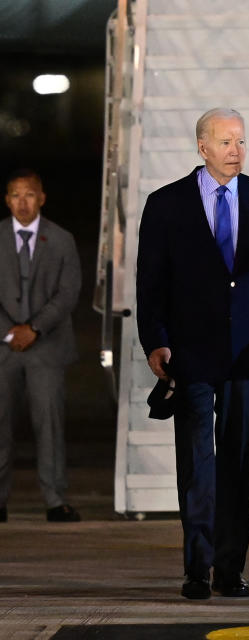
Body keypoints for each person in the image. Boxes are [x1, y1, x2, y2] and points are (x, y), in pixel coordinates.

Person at [136, 107, 249, 600]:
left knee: (238, 460)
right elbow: (151, 284)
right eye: (227, 142)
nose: (236, 151)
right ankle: (196, 568)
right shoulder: (165, 203)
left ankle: (230, 568)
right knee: (197, 465)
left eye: (242, 142)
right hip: (190, 352)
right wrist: (156, 341)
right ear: (202, 147)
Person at [0, 169, 82, 524]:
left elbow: (68, 293)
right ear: (7, 200)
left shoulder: (62, 240)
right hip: (2, 348)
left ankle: (54, 499)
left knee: (49, 424)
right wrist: (9, 332)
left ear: (42, 198)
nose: (22, 202)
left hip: (46, 348)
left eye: (29, 195)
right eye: (15, 195)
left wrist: (34, 328)